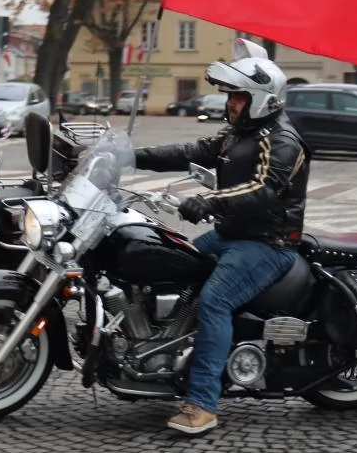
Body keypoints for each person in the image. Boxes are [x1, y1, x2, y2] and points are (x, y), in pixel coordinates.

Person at [131, 39, 308, 435]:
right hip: (231, 235)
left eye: (238, 97)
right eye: (230, 95)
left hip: (266, 244)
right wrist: (130, 156)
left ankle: (202, 404)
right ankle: (166, 355)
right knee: (172, 262)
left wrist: (210, 202)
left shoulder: (280, 140)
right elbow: (191, 149)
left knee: (215, 300)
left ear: (261, 98)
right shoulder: (239, 133)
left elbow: (265, 190)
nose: (231, 103)